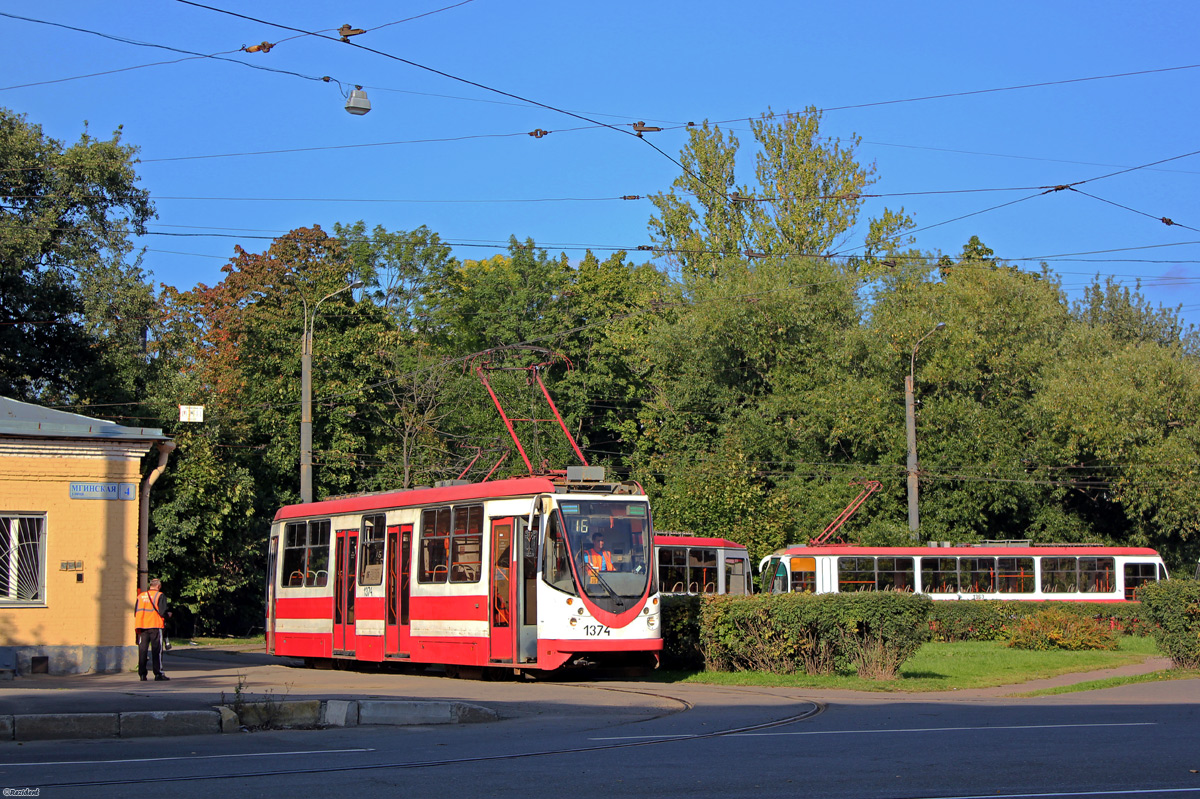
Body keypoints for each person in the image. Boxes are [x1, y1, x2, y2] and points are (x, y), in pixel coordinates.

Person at [134, 578, 172, 681]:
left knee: (142, 651)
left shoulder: (141, 596)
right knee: (157, 650)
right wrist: (168, 615)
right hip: (155, 625)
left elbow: (136, 612)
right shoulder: (160, 595)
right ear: (158, 586)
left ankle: (142, 674)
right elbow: (162, 612)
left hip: (142, 626)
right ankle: (158, 673)